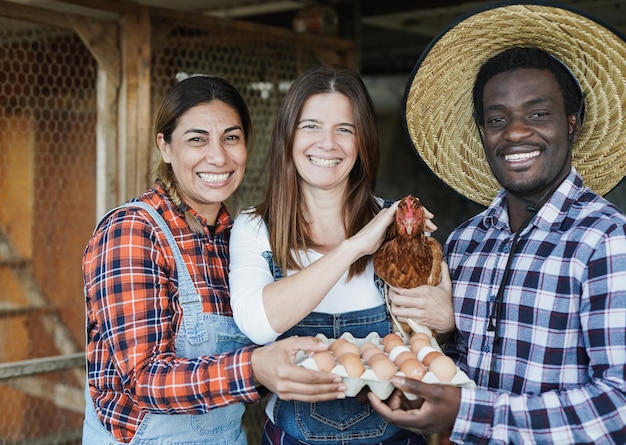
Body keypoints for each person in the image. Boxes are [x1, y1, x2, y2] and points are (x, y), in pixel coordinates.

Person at [368, 3, 626, 444]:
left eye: (538, 113)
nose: (515, 132)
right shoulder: (468, 241)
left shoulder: (605, 240)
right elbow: (467, 364)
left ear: (572, 123)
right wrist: (426, 367)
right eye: (497, 119)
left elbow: (618, 404)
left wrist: (468, 414)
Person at [81, 75, 348, 445]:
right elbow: (143, 378)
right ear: (165, 146)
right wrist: (254, 368)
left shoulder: (236, 240)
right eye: (197, 139)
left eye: (231, 138)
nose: (218, 156)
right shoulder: (133, 231)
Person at [229, 64, 443, 445]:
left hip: (395, 437)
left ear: (363, 142)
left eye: (345, 129)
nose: (327, 144)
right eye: (310, 126)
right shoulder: (255, 227)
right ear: (288, 136)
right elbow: (258, 324)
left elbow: (440, 325)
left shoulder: (398, 223)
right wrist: (356, 246)